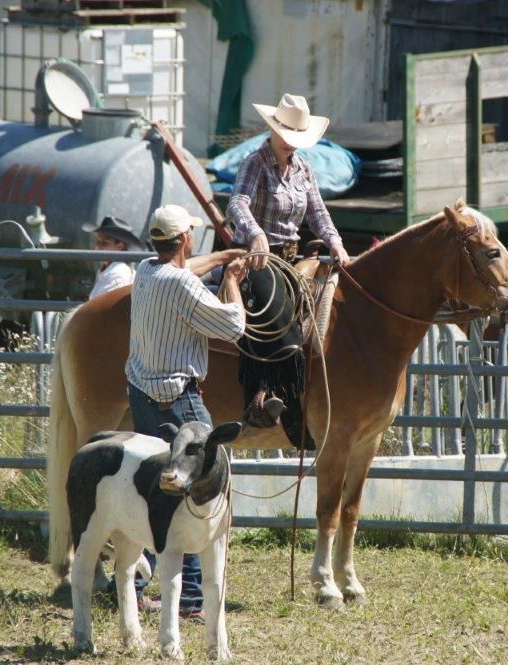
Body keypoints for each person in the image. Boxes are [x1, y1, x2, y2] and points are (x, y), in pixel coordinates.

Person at [124, 203, 247, 620]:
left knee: (158, 485)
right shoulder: (183, 286)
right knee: (201, 489)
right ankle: (193, 596)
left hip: (142, 394)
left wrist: (223, 256)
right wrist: (231, 280)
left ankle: (135, 581)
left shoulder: (144, 270)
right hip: (180, 402)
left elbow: (183, 268)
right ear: (184, 239)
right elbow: (234, 326)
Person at [225, 93, 350, 439]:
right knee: (273, 308)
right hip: (257, 257)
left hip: (293, 257)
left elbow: (317, 212)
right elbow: (236, 203)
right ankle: (264, 394)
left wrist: (335, 242)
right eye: (287, 136)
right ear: (274, 130)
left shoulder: (303, 168)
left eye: (297, 138)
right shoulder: (255, 162)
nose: (291, 145)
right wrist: (254, 234)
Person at [82, 216, 145, 300]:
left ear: (120, 246)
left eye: (104, 242)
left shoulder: (118, 274)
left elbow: (102, 309)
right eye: (98, 241)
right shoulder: (109, 269)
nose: (97, 246)